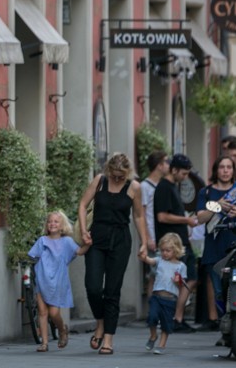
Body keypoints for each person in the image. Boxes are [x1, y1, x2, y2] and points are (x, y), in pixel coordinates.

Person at [78, 152, 149, 355]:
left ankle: (108, 337)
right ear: (108, 170)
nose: (117, 179)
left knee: (112, 290)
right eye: (114, 175)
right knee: (92, 286)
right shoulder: (100, 181)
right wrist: (84, 230)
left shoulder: (134, 187)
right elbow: (83, 205)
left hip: (120, 241)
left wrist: (144, 242)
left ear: (128, 172)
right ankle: (100, 321)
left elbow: (138, 216)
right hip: (96, 239)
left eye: (121, 176)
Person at [195, 156, 236, 330]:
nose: (226, 170)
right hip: (214, 244)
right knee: (216, 285)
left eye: (229, 167)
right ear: (216, 170)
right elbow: (199, 218)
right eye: (222, 167)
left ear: (233, 171)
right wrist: (216, 206)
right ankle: (218, 320)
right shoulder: (206, 192)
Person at [28, 210, 91, 352]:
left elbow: (79, 252)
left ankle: (62, 329)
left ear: (62, 225)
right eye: (50, 221)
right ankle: (44, 343)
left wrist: (88, 244)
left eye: (56, 221)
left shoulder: (67, 242)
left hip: (58, 281)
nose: (52, 224)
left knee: (54, 313)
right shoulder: (42, 241)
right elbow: (33, 256)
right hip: (42, 280)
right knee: (42, 312)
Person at [154, 153, 198, 333]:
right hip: (172, 244)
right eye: (184, 173)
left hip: (180, 242)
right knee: (185, 279)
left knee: (189, 278)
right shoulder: (164, 187)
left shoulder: (173, 186)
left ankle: (176, 316)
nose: (185, 177)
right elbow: (162, 216)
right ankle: (174, 317)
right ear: (174, 170)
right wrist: (185, 221)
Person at [141, 233, 188, 355]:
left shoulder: (181, 266)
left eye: (168, 250)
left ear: (176, 250)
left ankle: (162, 344)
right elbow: (149, 260)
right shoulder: (159, 261)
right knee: (152, 317)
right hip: (156, 296)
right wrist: (143, 256)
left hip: (170, 299)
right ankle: (153, 336)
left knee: (166, 322)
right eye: (162, 250)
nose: (164, 253)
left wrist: (178, 282)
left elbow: (182, 285)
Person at [141, 151, 169, 254]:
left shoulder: (163, 185)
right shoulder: (144, 186)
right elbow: (142, 214)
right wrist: (148, 238)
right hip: (153, 237)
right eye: (166, 162)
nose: (168, 165)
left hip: (164, 236)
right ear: (159, 166)